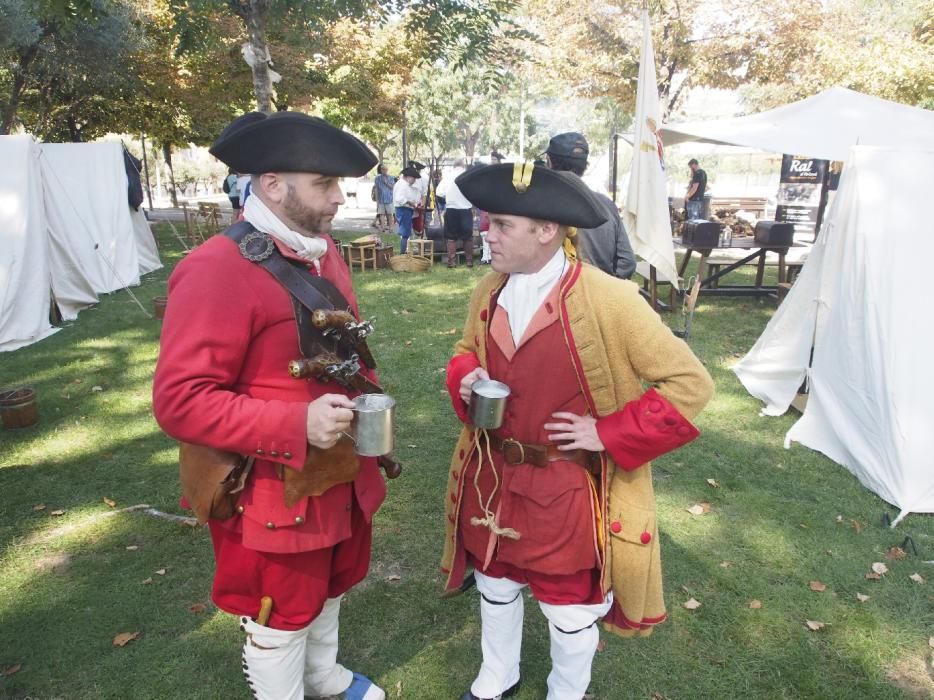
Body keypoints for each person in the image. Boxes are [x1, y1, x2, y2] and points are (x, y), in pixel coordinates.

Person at [440, 163, 714, 700]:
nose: (486, 234)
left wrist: (608, 432)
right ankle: (498, 675)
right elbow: (464, 352)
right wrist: (464, 377)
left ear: (546, 230)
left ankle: (568, 691)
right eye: (486, 223)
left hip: (562, 487)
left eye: (500, 224)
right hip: (489, 473)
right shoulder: (487, 290)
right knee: (495, 583)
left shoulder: (612, 299)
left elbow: (690, 383)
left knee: (568, 606)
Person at [152, 111, 388, 700]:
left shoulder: (321, 251)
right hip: (269, 485)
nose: (338, 199)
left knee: (332, 583)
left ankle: (323, 676)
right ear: (273, 184)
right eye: (325, 185)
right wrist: (294, 421)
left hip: (336, 467)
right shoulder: (214, 269)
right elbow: (179, 402)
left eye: (340, 185)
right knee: (279, 612)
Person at [546, 132, 636, 280]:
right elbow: (628, 262)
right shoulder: (608, 205)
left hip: (559, 297)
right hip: (602, 294)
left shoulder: (540, 206)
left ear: (549, 162)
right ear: (584, 166)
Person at [437, 159, 474, 268]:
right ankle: (469, 261)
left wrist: (446, 201)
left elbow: (439, 192)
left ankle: (451, 262)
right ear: (463, 166)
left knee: (451, 237)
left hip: (452, 208)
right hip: (465, 208)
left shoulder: (448, 176)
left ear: (454, 166)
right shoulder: (468, 175)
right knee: (467, 237)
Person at [393, 166, 421, 253]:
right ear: (408, 177)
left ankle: (404, 251)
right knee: (405, 233)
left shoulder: (403, 184)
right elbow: (399, 199)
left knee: (407, 232)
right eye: (413, 178)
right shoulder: (402, 184)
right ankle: (402, 253)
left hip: (406, 209)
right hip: (403, 209)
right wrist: (410, 203)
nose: (414, 180)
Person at [372, 164, 396, 232]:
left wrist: (386, 183)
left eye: (385, 169)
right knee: (381, 214)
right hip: (381, 199)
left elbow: (393, 188)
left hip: (389, 199)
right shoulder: (377, 178)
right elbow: (376, 189)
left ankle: (391, 228)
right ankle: (383, 227)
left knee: (390, 214)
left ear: (387, 170)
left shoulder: (391, 178)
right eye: (382, 169)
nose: (383, 171)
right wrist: (377, 200)